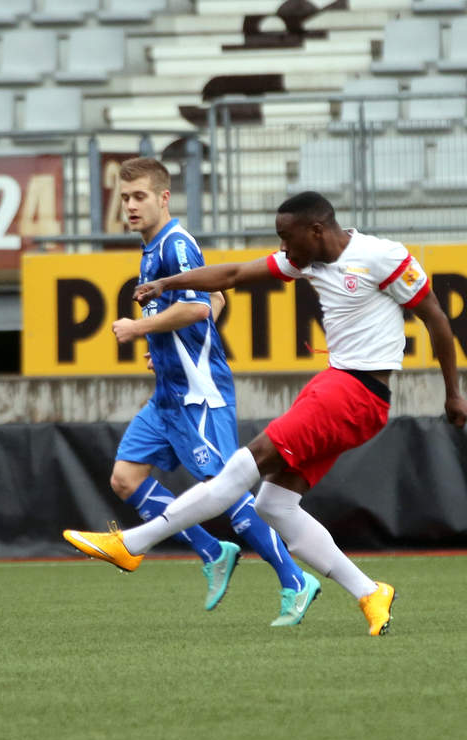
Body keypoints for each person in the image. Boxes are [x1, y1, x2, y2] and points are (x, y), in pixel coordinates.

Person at [65, 191, 467, 635]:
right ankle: (370, 592)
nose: (283, 248)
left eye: (286, 237)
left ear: (316, 230)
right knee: (274, 505)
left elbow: (437, 320)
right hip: (341, 389)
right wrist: (169, 283)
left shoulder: (382, 256)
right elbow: (235, 272)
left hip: (355, 393)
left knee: (245, 464)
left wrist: (453, 393)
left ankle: (133, 544)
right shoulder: (306, 259)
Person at [84, 158, 319, 626]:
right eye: (125, 198)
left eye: (139, 197)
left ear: (164, 197)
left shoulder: (175, 243)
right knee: (125, 479)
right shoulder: (151, 248)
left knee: (227, 491)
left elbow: (195, 310)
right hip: (168, 393)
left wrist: (139, 328)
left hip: (200, 393)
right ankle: (213, 551)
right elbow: (215, 298)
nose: (130, 206)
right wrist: (162, 342)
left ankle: (296, 579)